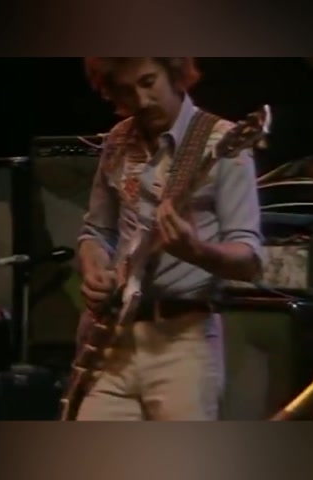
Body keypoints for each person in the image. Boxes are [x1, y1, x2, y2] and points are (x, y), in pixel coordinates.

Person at [75, 57, 264, 420]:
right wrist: (94, 266)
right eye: (126, 91)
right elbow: (96, 231)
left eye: (148, 82)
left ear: (175, 72)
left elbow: (249, 260)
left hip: (183, 342)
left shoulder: (224, 141)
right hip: (112, 342)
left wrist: (197, 250)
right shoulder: (117, 141)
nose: (141, 100)